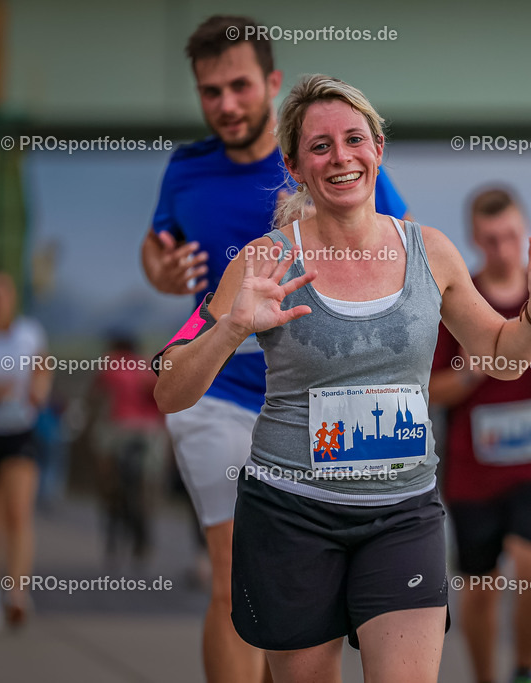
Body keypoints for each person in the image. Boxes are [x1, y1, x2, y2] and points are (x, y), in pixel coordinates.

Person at [152, 73, 531, 683]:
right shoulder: (265, 259)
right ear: (294, 165)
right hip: (292, 515)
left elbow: (500, 356)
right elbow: (170, 389)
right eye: (320, 146)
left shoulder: (432, 252)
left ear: (378, 150)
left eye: (354, 140)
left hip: (401, 515)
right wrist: (233, 328)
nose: (341, 157)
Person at [139, 15, 409, 682]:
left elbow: (399, 249)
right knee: (236, 578)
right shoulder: (186, 169)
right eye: (210, 92)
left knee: (308, 591)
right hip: (220, 396)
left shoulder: (325, 159)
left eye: (238, 86)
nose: (226, 104)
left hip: (318, 406)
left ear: (272, 83)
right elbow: (158, 245)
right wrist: (161, 270)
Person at [429, 188, 531, 683]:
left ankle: (524, 669)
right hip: (472, 469)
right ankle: (484, 676)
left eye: (511, 236)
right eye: (491, 238)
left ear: (524, 234)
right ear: (475, 238)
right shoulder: (459, 298)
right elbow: (431, 388)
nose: (502, 247)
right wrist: (475, 370)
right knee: (478, 590)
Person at [0, 271, 52, 630]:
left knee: (18, 514)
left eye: (2, 292)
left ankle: (16, 593)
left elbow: (43, 366)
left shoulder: (29, 332)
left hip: (20, 432)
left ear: (13, 297)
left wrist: (39, 389)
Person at [89, 334, 167, 565]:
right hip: (150, 431)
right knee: (148, 485)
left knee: (109, 483)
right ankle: (144, 536)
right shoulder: (148, 363)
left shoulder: (111, 363)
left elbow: (96, 396)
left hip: (118, 429)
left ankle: (112, 536)